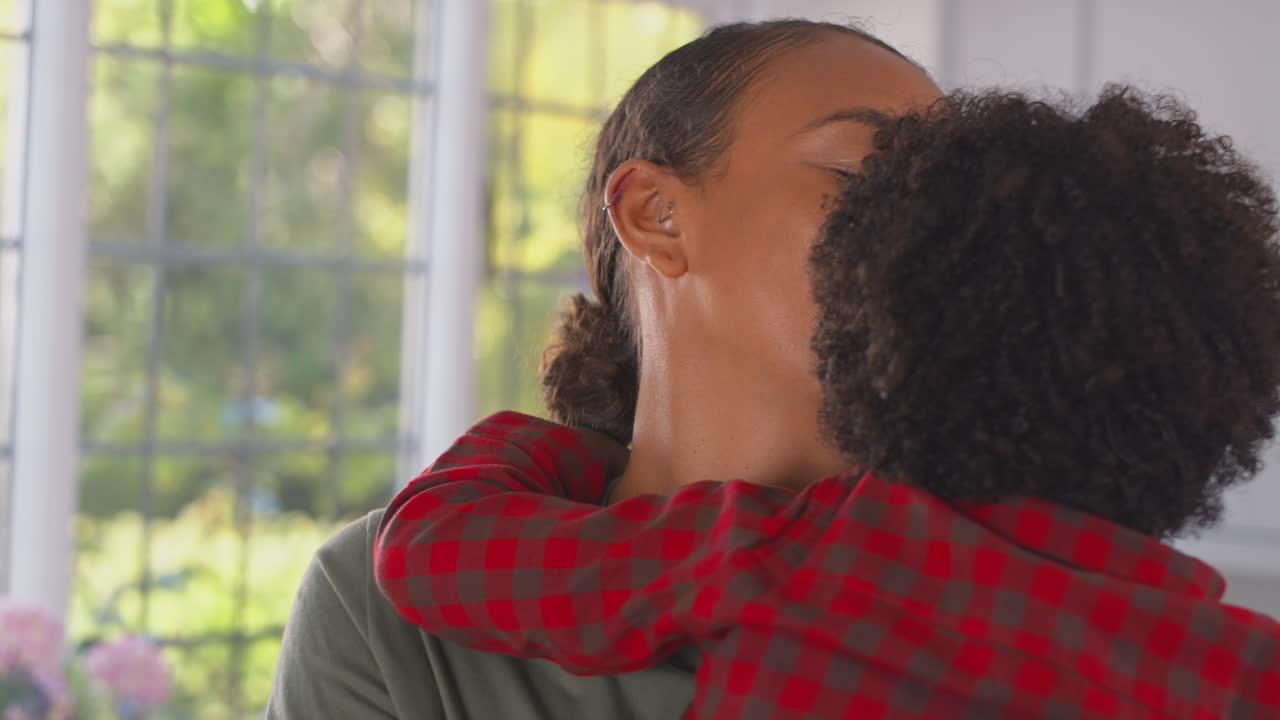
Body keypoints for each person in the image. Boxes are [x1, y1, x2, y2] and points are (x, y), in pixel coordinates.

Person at [372, 88, 1280, 717]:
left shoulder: (805, 552)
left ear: (875, 339)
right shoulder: (1243, 668)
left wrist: (578, 453)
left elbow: (435, 547)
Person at [266, 19, 939, 718]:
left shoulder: (1020, 585)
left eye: (957, 196)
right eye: (862, 170)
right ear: (657, 214)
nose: (940, 229)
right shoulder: (386, 620)